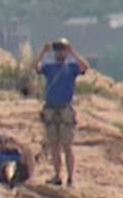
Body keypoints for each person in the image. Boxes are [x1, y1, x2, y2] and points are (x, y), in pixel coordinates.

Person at [37, 38, 91, 187]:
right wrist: (43, 51)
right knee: (54, 144)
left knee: (67, 145)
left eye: (62, 50)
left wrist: (72, 52)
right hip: (51, 107)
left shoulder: (72, 67)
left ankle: (70, 177)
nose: (59, 53)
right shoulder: (49, 67)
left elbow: (85, 67)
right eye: (58, 50)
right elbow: (34, 66)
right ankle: (57, 175)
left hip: (65, 108)